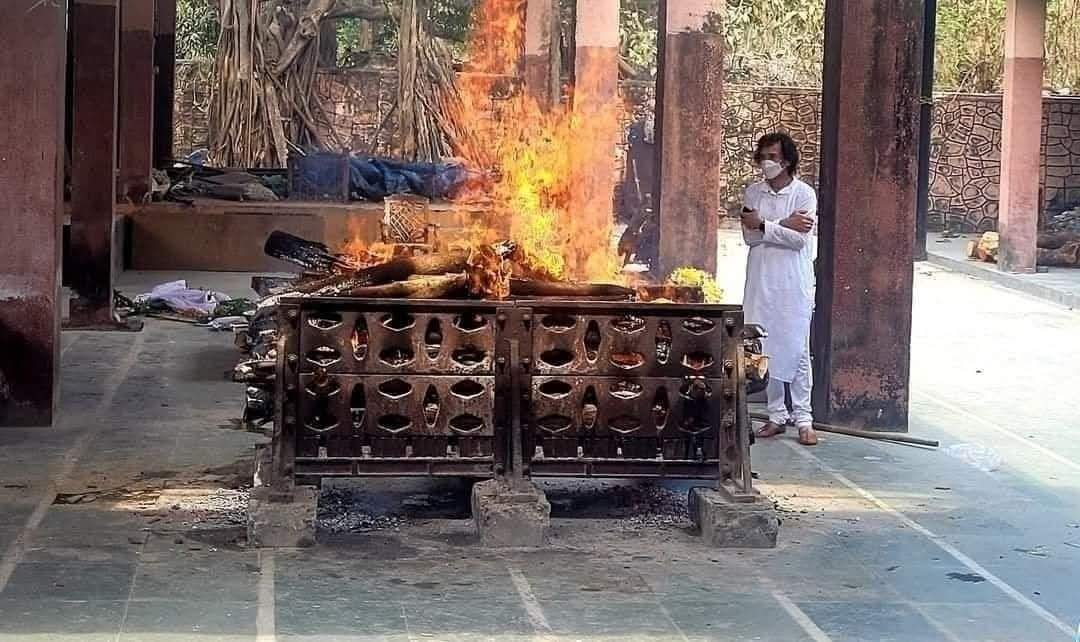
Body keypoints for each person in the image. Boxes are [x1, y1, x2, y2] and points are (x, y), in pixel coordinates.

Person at [740, 132, 819, 445]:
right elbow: (749, 238)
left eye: (773, 157)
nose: (767, 162)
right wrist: (779, 225)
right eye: (763, 156)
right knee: (763, 348)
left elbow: (799, 240)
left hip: (792, 281)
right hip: (760, 279)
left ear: (787, 160)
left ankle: (804, 418)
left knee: (797, 347)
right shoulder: (753, 193)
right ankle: (776, 415)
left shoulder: (804, 195)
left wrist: (764, 226)